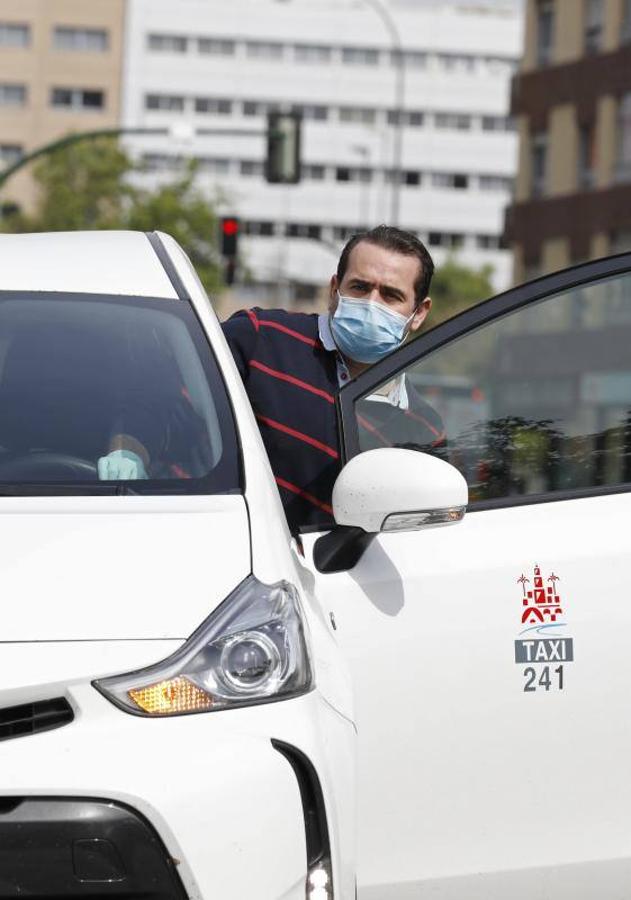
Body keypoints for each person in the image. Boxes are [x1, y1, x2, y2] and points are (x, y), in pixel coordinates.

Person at [221, 225, 445, 534]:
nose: (371, 303)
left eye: (391, 295)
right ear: (334, 290)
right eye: (359, 287)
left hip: (344, 579)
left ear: (419, 313)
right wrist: (132, 447)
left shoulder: (424, 429)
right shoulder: (260, 339)